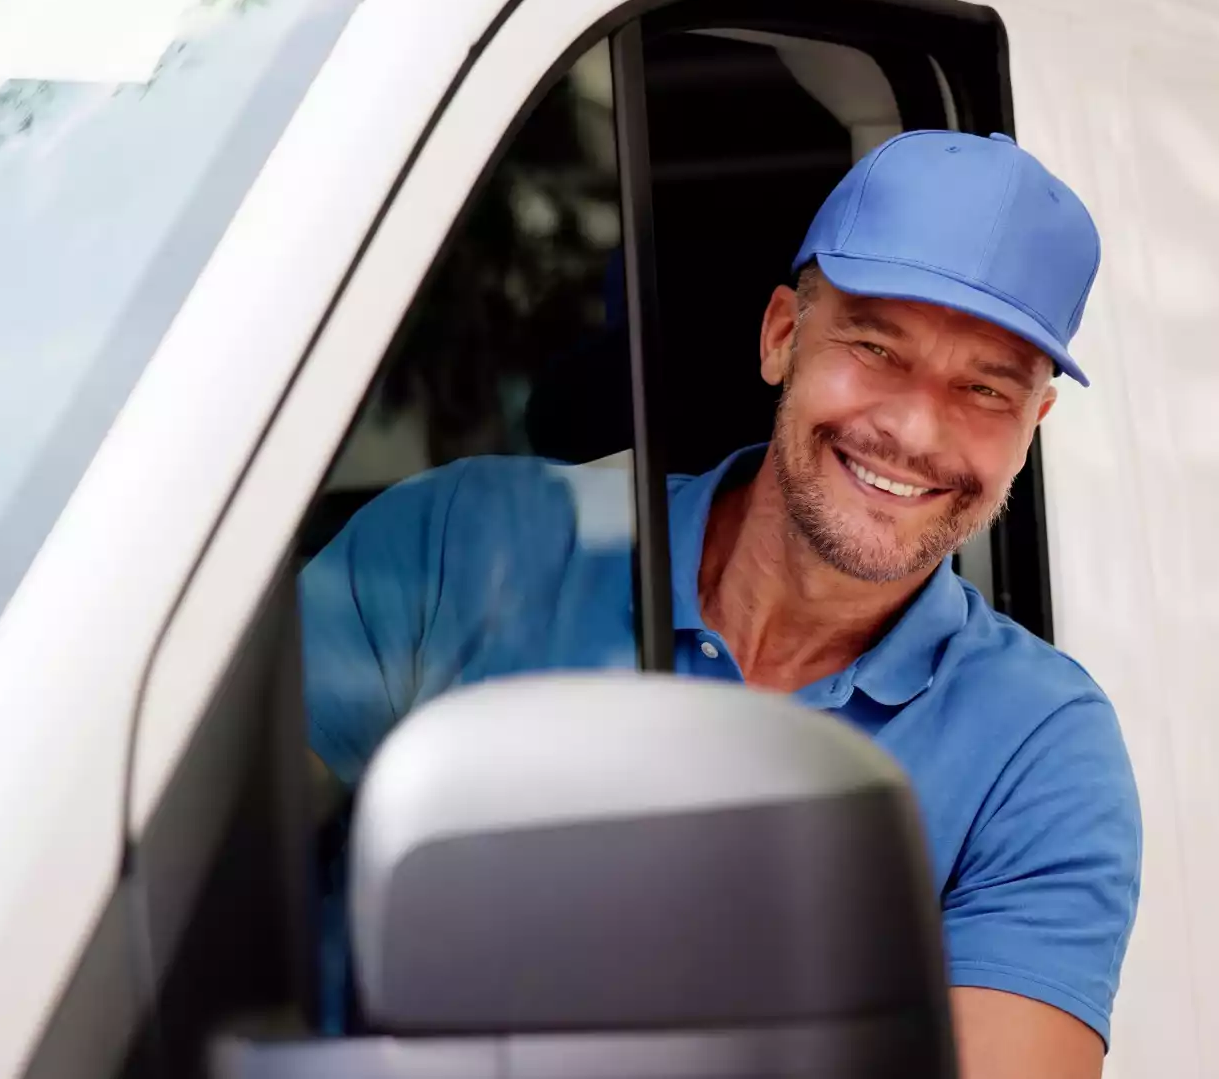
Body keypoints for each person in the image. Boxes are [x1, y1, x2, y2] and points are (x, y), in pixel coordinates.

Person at [302, 129, 1143, 1078]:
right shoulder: (458, 546)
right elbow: (191, 884)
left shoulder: (1041, 751)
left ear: (1032, 427)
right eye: (874, 348)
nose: (913, 429)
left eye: (984, 390)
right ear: (782, 334)